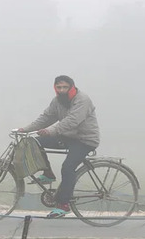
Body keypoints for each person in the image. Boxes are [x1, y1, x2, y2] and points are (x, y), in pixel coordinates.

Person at [19, 75, 99, 219]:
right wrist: (24, 129)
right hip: (67, 136)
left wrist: (50, 131)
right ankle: (48, 174)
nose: (62, 90)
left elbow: (72, 121)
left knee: (67, 167)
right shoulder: (57, 101)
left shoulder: (82, 100)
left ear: (72, 87)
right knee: (34, 142)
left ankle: (63, 205)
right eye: (59, 87)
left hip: (84, 140)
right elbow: (46, 118)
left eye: (65, 87)